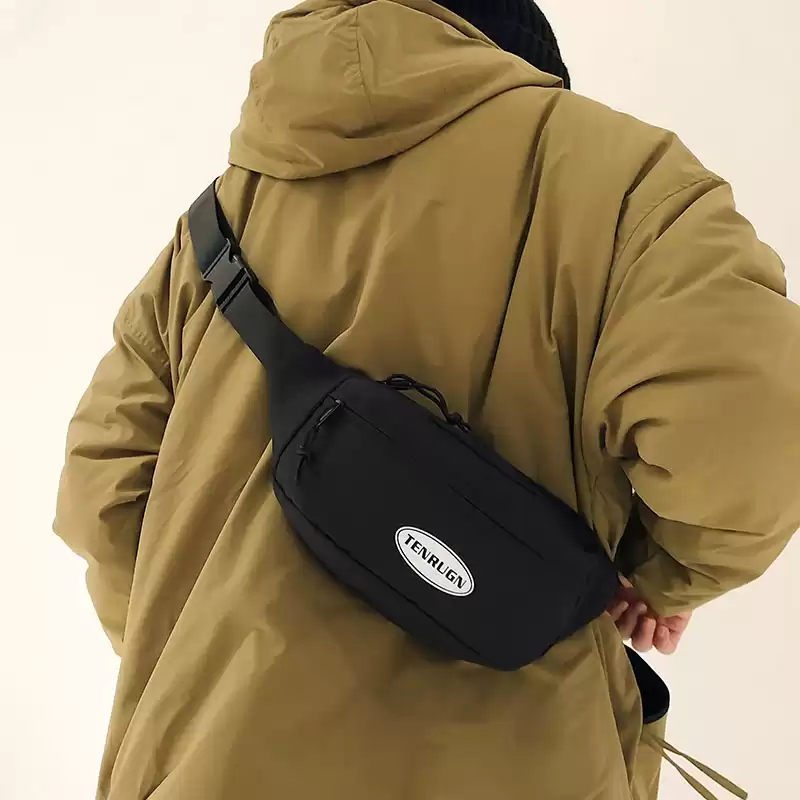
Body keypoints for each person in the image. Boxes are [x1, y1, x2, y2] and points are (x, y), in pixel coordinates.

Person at [54, 1, 800, 799]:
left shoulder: (214, 223)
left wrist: (202, 659)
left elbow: (103, 488)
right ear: (522, 68)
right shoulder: (629, 185)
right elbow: (750, 437)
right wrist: (656, 581)